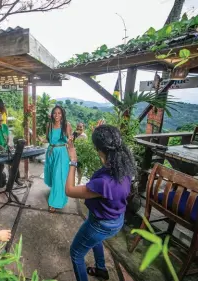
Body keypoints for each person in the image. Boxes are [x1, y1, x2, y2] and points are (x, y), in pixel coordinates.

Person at [65, 125, 136, 281]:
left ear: (100, 149)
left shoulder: (103, 183)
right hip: (116, 219)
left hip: (100, 223)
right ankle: (101, 269)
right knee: (96, 240)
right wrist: (100, 134)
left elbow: (69, 190)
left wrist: (73, 160)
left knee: (76, 253)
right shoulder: (123, 167)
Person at [43, 105, 72, 213]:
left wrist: (70, 139)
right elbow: (48, 139)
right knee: (51, 175)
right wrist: (42, 139)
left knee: (58, 177)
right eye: (55, 113)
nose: (57, 115)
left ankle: (54, 202)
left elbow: (69, 141)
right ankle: (56, 192)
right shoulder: (49, 125)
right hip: (51, 152)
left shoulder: (66, 125)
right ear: (52, 114)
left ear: (62, 114)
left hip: (61, 153)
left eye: (59, 113)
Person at [0, 114, 24, 193]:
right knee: (1, 165)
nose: (0, 122)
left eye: (1, 121)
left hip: (5, 150)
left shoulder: (5, 127)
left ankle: (16, 179)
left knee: (15, 160)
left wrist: (7, 145)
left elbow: (7, 139)